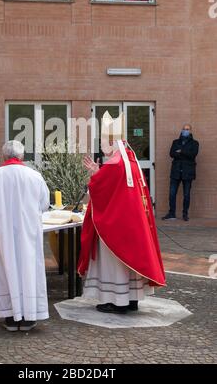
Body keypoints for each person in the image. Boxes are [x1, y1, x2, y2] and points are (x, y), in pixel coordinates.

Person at [78, 112, 165, 314]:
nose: (101, 146)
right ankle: (132, 298)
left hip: (115, 225)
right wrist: (99, 171)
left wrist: (94, 175)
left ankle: (116, 301)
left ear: (111, 142)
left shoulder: (114, 164)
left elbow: (100, 190)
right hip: (131, 223)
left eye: (103, 142)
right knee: (128, 262)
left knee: (114, 262)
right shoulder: (130, 162)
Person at [0, 140, 50, 332]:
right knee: (29, 270)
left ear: (3, 156)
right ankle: (29, 317)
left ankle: (10, 317)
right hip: (28, 234)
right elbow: (44, 204)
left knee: (5, 269)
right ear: (22, 157)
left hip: (4, 235)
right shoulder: (35, 176)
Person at [162, 124, 199, 222]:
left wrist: (181, 151)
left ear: (190, 131)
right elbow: (172, 154)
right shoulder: (175, 142)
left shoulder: (195, 143)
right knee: (172, 193)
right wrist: (184, 153)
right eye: (184, 129)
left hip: (188, 172)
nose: (185, 130)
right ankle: (171, 213)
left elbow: (192, 155)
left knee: (186, 194)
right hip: (176, 171)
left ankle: (185, 214)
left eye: (187, 129)